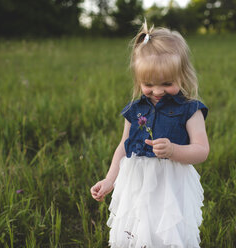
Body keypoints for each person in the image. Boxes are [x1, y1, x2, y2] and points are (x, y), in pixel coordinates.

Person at [90, 22, 210, 248]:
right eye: (148, 84)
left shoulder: (191, 110)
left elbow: (202, 150)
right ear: (138, 80)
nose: (157, 91)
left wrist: (174, 150)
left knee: (166, 232)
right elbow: (124, 147)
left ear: (182, 76)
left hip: (170, 186)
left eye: (167, 83)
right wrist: (109, 179)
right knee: (137, 229)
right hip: (136, 183)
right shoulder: (135, 110)